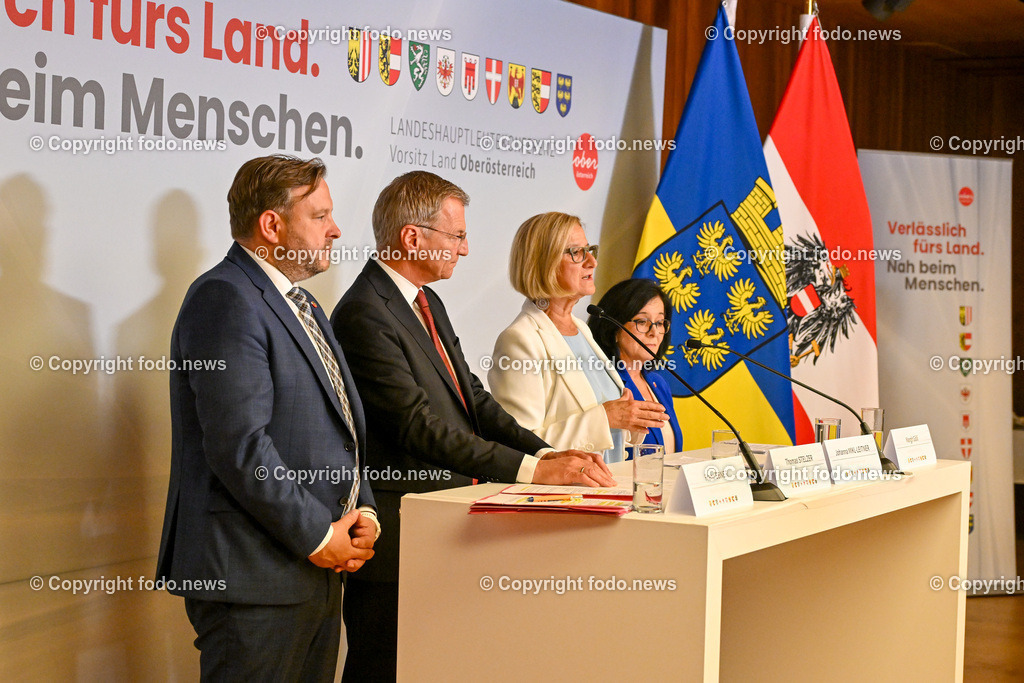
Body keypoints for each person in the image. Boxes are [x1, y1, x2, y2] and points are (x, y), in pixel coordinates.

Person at [330, 172, 614, 682]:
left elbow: (475, 402)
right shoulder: (364, 313)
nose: (466, 249)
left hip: (445, 518)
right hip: (402, 524)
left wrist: (547, 454)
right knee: (385, 660)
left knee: (439, 660)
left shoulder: (425, 300)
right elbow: (418, 426)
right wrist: (529, 471)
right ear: (412, 238)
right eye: (457, 236)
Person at [156, 155, 378, 682]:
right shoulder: (225, 297)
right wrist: (321, 538)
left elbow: (338, 428)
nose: (336, 229)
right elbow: (240, 446)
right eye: (321, 216)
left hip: (312, 573)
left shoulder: (305, 306)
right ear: (272, 226)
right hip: (253, 579)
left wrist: (360, 512)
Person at [488, 212, 667, 462]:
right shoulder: (520, 340)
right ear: (543, 262)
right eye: (576, 252)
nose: (592, 262)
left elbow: (605, 431)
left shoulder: (581, 328)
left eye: (589, 250)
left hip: (604, 492)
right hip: (559, 497)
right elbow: (519, 445)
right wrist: (606, 417)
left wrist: (630, 420)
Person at [589, 278, 682, 453]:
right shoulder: (602, 383)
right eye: (642, 321)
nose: (654, 332)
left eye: (660, 322)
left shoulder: (658, 383)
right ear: (614, 330)